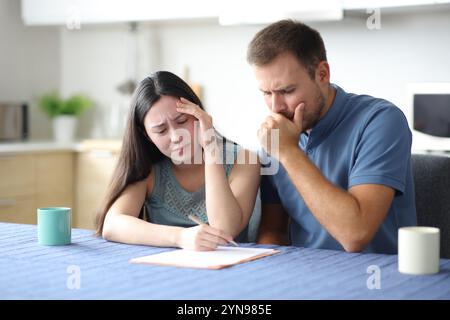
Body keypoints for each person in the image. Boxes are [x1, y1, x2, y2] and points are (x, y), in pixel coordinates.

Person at [248, 20, 416, 254]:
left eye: (287, 91)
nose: (275, 107)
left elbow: (355, 235)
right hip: (305, 277)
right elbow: (273, 231)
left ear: (322, 74)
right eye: (266, 93)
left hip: (376, 278)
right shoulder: (276, 136)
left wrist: (289, 152)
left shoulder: (381, 121)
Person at [96, 71, 260, 251]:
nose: (176, 137)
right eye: (160, 131)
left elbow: (224, 229)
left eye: (182, 121)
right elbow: (112, 225)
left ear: (199, 114)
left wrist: (211, 150)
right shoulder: (150, 169)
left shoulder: (244, 160)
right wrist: (179, 237)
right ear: (147, 136)